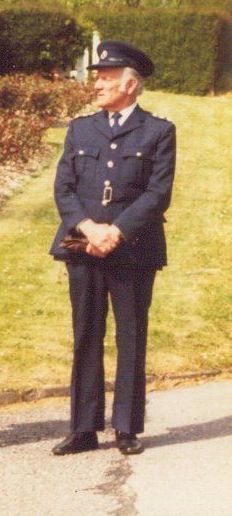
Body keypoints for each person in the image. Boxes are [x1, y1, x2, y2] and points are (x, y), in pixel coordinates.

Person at [50, 40, 175, 457]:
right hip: (81, 241)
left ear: (131, 85)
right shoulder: (80, 128)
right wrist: (88, 228)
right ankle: (83, 428)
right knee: (85, 331)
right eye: (97, 78)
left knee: (131, 335)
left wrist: (114, 232)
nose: (97, 85)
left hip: (133, 245)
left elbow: (157, 195)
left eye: (105, 78)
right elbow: (63, 187)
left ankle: (126, 427)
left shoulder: (159, 131)